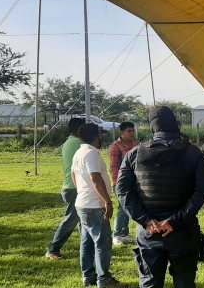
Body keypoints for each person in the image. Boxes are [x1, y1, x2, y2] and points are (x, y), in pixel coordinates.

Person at [116, 106, 204, 288]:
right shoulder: (193, 152)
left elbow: (122, 190)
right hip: (182, 232)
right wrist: (174, 221)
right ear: (175, 125)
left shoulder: (134, 153)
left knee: (150, 283)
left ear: (153, 126)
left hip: (148, 234)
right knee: (184, 283)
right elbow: (203, 190)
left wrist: (146, 221)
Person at [71, 123, 126, 288]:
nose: (101, 138)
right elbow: (95, 178)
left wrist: (82, 190)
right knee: (102, 243)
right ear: (95, 136)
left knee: (87, 242)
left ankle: (88, 277)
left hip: (82, 203)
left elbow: (74, 175)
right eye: (99, 135)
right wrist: (107, 201)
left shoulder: (79, 152)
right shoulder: (91, 153)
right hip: (94, 205)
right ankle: (104, 280)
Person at [45, 117, 85, 260]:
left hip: (69, 186)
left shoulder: (68, 142)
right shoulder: (77, 142)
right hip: (74, 187)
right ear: (79, 129)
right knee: (71, 219)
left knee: (81, 218)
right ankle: (53, 249)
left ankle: (87, 247)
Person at [109, 122, 137, 246]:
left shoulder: (135, 145)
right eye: (129, 131)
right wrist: (117, 184)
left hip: (134, 182)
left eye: (133, 131)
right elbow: (114, 167)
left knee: (127, 207)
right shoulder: (115, 147)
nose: (132, 133)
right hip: (120, 183)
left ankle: (124, 234)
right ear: (122, 133)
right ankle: (116, 235)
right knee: (122, 208)